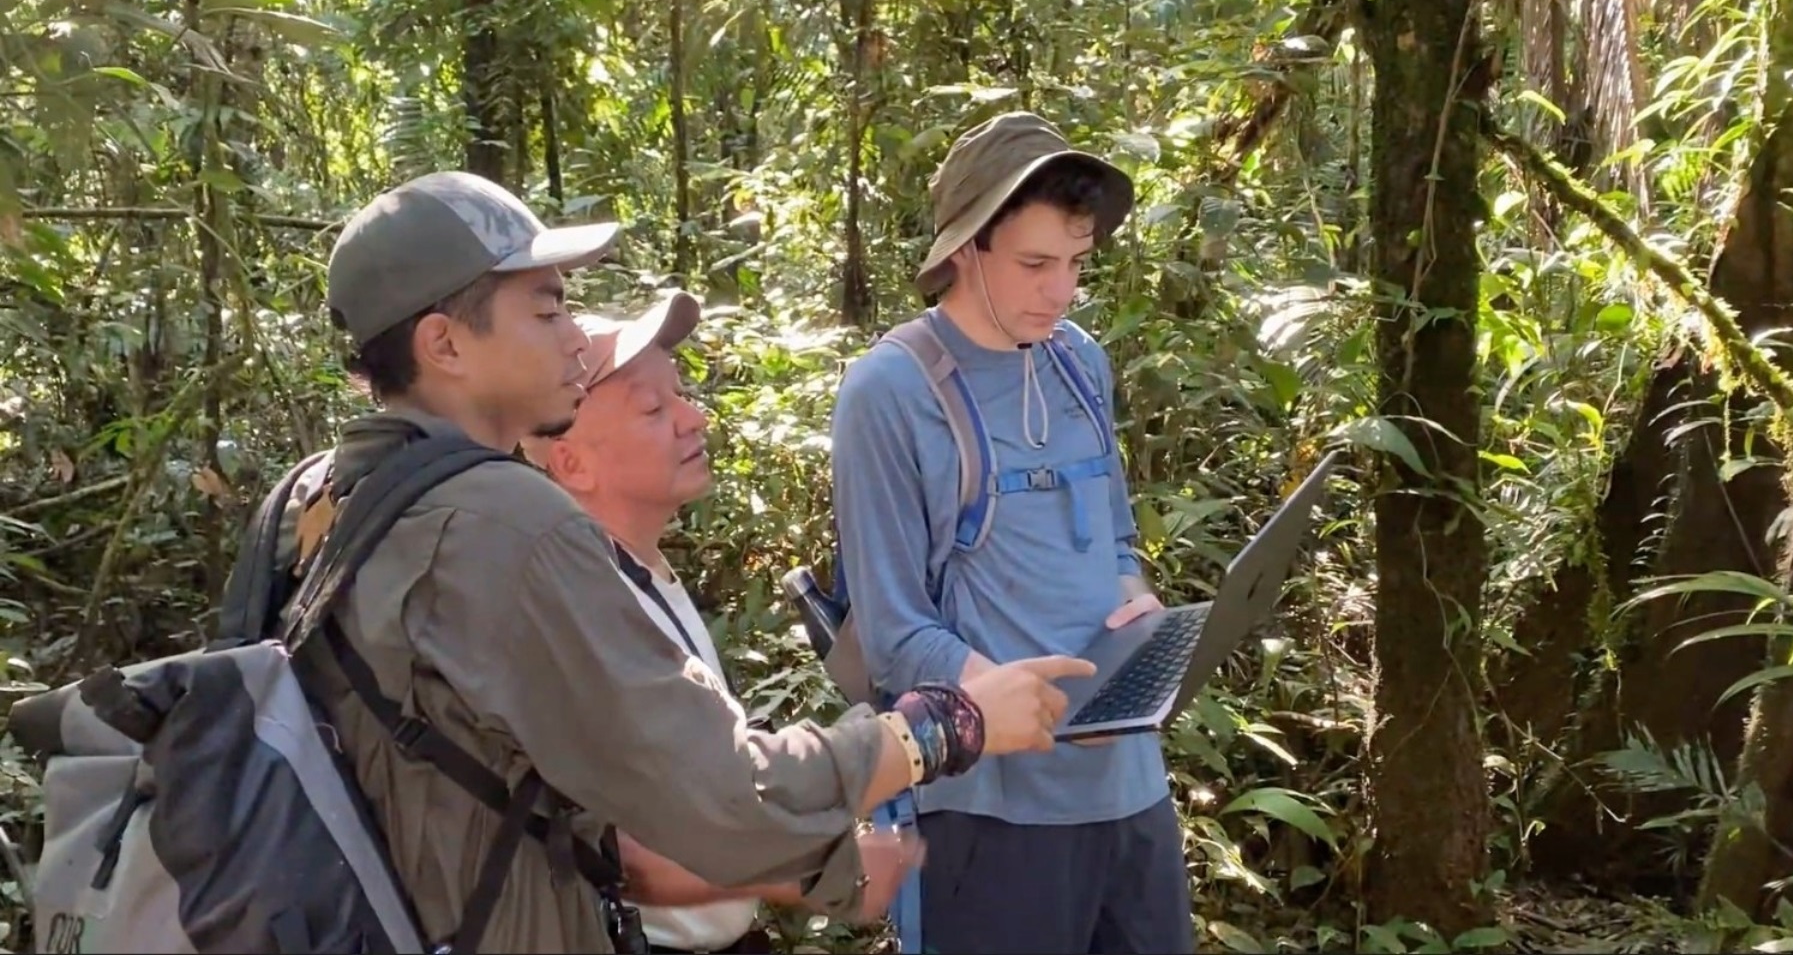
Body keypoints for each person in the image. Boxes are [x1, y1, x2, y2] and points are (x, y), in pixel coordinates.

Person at [291, 169, 1098, 953]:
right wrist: (941, 727)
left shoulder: (322, 496)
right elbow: (721, 794)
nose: (574, 338)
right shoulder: (503, 522)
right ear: (444, 344)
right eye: (547, 312)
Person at [829, 112, 1196, 953]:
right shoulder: (891, 392)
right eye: (1035, 264)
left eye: (1075, 264)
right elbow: (893, 634)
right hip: (992, 814)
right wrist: (1006, 704)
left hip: (1130, 788)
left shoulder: (1079, 362)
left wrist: (1136, 602)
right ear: (965, 249)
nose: (1059, 291)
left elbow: (1115, 543)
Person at [521, 295, 912, 953]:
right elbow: (634, 858)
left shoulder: (642, 575)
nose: (693, 417)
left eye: (681, 393)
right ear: (571, 464)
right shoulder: (588, 612)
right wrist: (818, 873)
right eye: (652, 408)